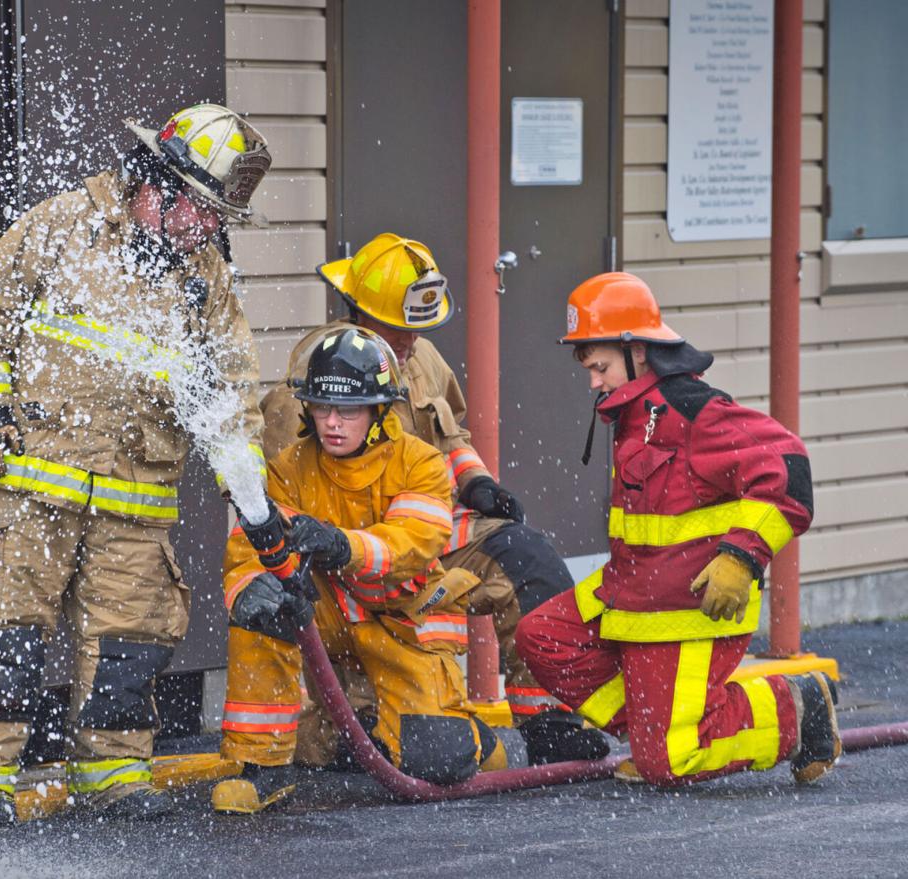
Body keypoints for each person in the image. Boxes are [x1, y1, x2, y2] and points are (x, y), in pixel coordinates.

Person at [0, 103, 271, 826]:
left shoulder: (203, 275)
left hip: (134, 499)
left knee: (129, 641)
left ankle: (115, 772)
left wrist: (248, 489)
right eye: (203, 211)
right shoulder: (63, 225)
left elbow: (231, 387)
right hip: (28, 486)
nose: (208, 229)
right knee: (8, 633)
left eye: (218, 218)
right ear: (159, 183)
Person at [259, 233, 608, 765]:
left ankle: (550, 722)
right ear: (359, 312)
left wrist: (474, 483)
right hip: (354, 556)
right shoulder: (316, 377)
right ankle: (359, 726)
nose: (408, 342)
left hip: (427, 530)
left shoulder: (421, 359)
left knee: (528, 560)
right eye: (398, 330)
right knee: (387, 740)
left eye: (416, 330)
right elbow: (291, 489)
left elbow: (452, 439)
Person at [515, 271, 838, 787]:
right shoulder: (633, 414)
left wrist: (741, 557)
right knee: (544, 637)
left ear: (636, 351)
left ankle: (795, 710)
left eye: (599, 366)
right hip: (633, 597)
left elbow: (789, 468)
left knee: (671, 761)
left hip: (686, 609)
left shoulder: (692, 412)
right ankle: (655, 731)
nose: (593, 382)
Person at [212, 326, 508, 815]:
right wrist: (248, 588)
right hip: (324, 615)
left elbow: (415, 540)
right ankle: (260, 767)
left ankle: (473, 736)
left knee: (438, 760)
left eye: (348, 410)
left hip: (398, 621)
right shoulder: (289, 467)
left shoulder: (420, 463)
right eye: (322, 409)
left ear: (378, 410)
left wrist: (342, 544)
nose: (332, 423)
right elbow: (251, 545)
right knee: (263, 605)